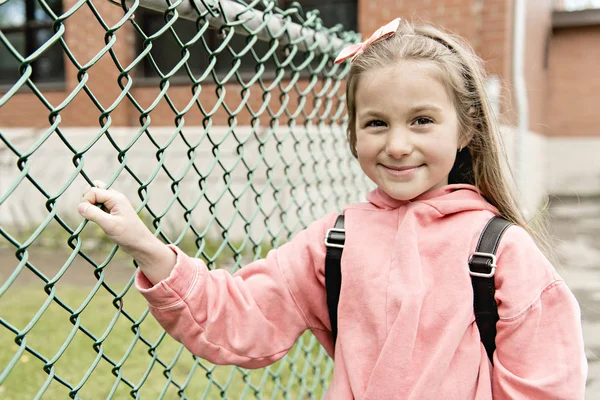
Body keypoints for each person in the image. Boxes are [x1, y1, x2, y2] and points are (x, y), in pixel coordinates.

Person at [78, 18, 587, 399]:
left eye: (423, 120)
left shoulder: (500, 250)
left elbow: (545, 386)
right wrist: (146, 245)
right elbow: (242, 318)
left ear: (466, 129)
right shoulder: (335, 241)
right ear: (352, 133)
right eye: (376, 123)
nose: (398, 144)